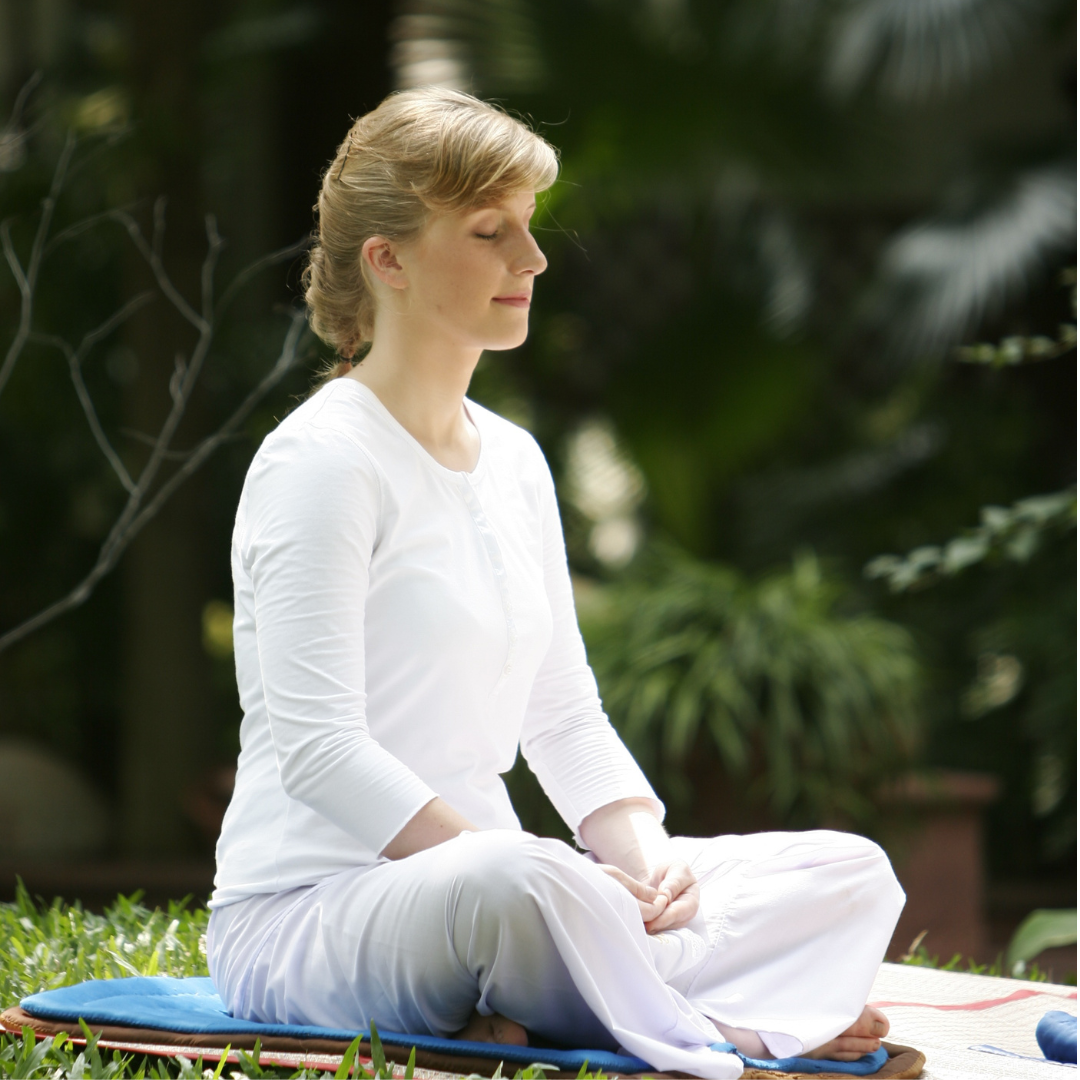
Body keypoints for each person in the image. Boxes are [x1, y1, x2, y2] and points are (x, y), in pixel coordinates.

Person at [205, 87, 905, 1080]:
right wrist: (560, 878)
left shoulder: (516, 461)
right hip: (318, 915)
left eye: (527, 229)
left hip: (511, 894)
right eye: (491, 232)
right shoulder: (320, 462)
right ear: (388, 260)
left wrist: (643, 864)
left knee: (847, 872)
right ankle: (733, 1032)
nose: (531, 262)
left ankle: (580, 1000)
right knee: (519, 882)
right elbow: (320, 752)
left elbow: (563, 713)